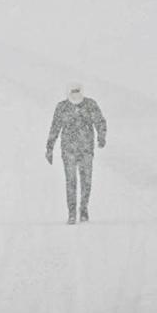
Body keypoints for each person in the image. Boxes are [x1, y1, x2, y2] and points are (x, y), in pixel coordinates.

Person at [45, 83, 107, 224]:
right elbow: (55, 127)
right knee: (71, 182)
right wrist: (49, 147)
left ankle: (84, 209)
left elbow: (100, 121)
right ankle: (72, 212)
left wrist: (101, 136)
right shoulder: (62, 107)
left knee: (86, 181)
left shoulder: (90, 105)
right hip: (69, 151)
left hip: (86, 150)